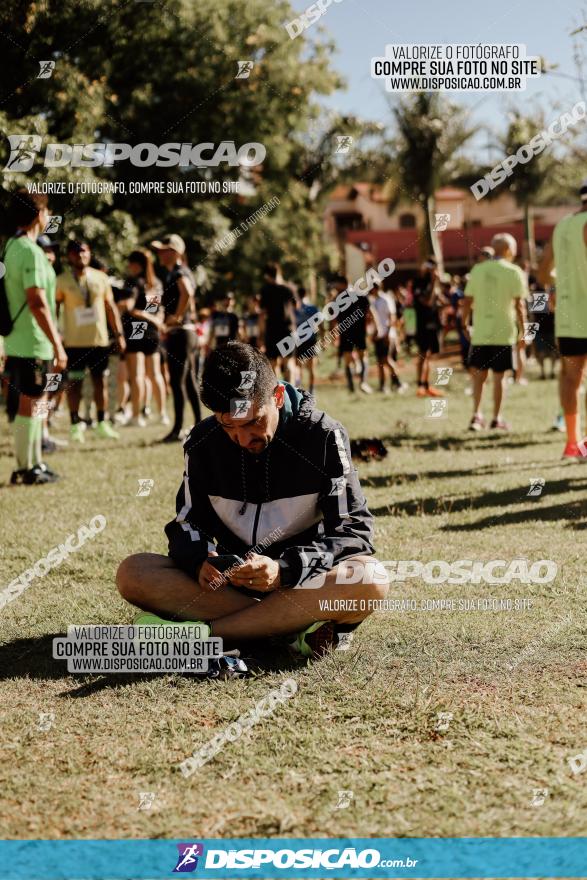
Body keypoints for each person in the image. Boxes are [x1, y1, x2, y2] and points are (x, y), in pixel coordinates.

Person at [116, 342, 389, 658]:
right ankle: (289, 630)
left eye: (252, 422)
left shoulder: (323, 435)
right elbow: (187, 524)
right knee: (133, 573)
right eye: (228, 425)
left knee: (371, 579)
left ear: (276, 397)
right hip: (233, 589)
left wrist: (283, 570)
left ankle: (206, 636)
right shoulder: (203, 442)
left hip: (304, 584)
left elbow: (353, 532)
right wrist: (200, 560)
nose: (243, 439)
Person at [3, 190, 67, 484]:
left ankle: (32, 463)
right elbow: (37, 301)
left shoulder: (10, 248)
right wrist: (56, 343)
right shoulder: (30, 251)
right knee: (33, 402)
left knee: (29, 404)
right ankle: (29, 467)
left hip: (17, 339)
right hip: (33, 340)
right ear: (39, 215)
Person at [56, 240, 124, 441]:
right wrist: (56, 337)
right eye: (76, 252)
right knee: (74, 384)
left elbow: (110, 307)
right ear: (69, 256)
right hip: (73, 342)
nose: (80, 255)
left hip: (99, 340)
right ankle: (75, 424)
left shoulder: (101, 277)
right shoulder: (61, 280)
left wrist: (118, 334)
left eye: (84, 251)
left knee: (99, 381)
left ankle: (102, 422)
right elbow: (55, 309)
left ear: (89, 253)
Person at [538, 180, 587, 459]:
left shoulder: (562, 226)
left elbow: (543, 273)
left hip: (568, 314)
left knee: (571, 378)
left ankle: (572, 443)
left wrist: (562, 285)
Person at [461, 233, 527, 431]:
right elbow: (520, 305)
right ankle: (497, 418)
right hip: (504, 332)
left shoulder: (478, 270)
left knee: (479, 377)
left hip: (480, 332)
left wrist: (465, 324)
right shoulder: (514, 271)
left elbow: (467, 301)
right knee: (500, 378)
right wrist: (523, 331)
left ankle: (476, 416)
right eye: (514, 248)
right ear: (508, 250)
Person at [151, 234, 201, 442]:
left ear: (176, 252)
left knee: (178, 382)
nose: (160, 253)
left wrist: (177, 317)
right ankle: (199, 426)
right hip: (187, 333)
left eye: (164, 250)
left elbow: (187, 294)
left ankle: (178, 429)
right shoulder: (176, 273)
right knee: (189, 382)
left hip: (181, 333)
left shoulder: (179, 272)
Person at [118, 249, 168, 427]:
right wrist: (155, 320)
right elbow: (155, 310)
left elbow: (131, 308)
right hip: (153, 332)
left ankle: (137, 416)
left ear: (135, 264)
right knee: (155, 374)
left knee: (137, 374)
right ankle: (162, 413)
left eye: (129, 263)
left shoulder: (133, 282)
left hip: (136, 329)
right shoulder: (156, 283)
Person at [331, 274, 372, 394]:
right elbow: (334, 318)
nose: (335, 287)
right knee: (355, 357)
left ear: (343, 284)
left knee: (357, 357)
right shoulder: (341, 298)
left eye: (336, 284)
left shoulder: (357, 296)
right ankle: (355, 385)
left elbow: (369, 313)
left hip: (352, 332)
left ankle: (359, 384)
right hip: (352, 332)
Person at [258, 263, 296, 380]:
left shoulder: (265, 291)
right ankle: (290, 394)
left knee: (272, 364)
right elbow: (296, 307)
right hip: (288, 329)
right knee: (288, 363)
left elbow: (262, 315)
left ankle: (276, 394)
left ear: (267, 276)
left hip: (272, 330)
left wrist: (261, 335)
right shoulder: (289, 288)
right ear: (279, 273)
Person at [413, 259, 443, 397]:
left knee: (429, 356)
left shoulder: (433, 284)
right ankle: (420, 385)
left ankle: (427, 385)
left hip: (433, 324)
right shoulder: (418, 283)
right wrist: (433, 282)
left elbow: (439, 300)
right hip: (422, 325)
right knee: (422, 355)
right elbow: (427, 301)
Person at [367, 284, 405, 393]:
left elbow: (392, 317)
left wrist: (388, 334)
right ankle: (382, 386)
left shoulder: (386, 299)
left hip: (387, 335)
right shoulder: (374, 301)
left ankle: (398, 383)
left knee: (387, 360)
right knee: (380, 362)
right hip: (379, 335)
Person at [294, 286, 319, 395]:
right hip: (311, 339)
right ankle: (312, 390)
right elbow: (319, 324)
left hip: (299, 341)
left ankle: (298, 390)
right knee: (311, 367)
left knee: (298, 367)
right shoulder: (313, 308)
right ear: (306, 294)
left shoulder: (295, 309)